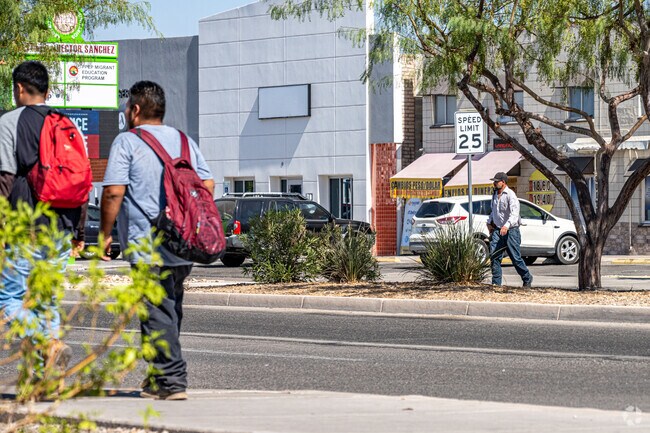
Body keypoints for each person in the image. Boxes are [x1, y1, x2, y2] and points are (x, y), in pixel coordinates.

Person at [100, 80, 214, 401]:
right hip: (181, 242)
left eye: (127, 107)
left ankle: (171, 381)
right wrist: (191, 223)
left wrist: (105, 234)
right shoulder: (184, 140)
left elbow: (113, 191)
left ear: (135, 110)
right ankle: (156, 379)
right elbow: (206, 182)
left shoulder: (127, 142)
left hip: (147, 242)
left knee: (156, 310)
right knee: (170, 307)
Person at [0, 61, 87, 367]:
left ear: (19, 88)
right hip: (62, 230)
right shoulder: (67, 124)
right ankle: (43, 380)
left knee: (9, 300)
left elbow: (5, 180)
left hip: (25, 230)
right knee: (46, 303)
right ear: (47, 91)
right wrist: (78, 233)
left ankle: (47, 344)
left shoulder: (10, 122)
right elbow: (81, 180)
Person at [486, 172, 533, 287]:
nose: (495, 183)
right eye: (494, 181)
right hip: (498, 230)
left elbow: (514, 214)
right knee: (494, 256)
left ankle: (527, 277)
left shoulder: (510, 195)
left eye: (497, 181)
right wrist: (489, 222)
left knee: (515, 258)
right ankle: (496, 283)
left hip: (511, 230)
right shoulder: (495, 194)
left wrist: (506, 226)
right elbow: (494, 211)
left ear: (503, 182)